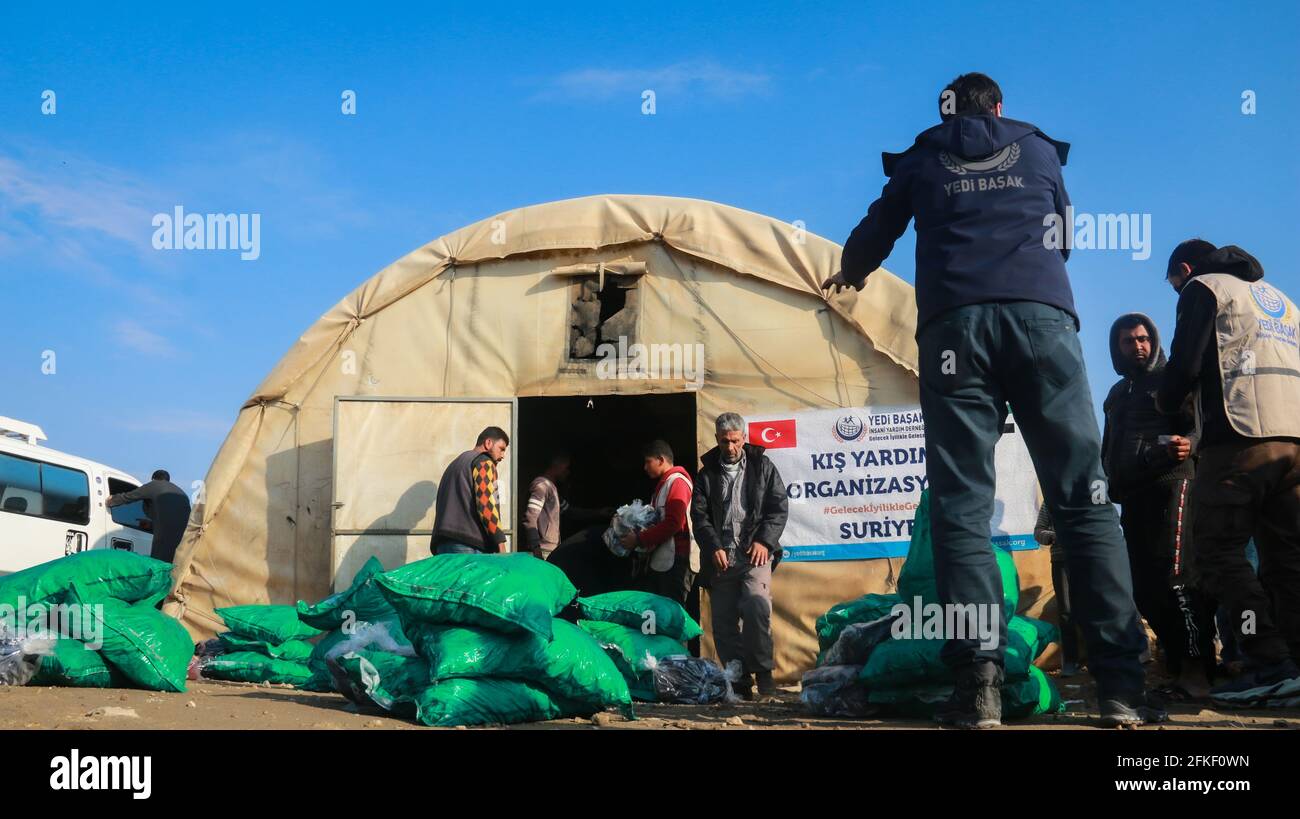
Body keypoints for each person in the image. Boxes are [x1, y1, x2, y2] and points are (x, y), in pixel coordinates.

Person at [822, 72, 1158, 728]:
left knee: (960, 510)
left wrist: (853, 270)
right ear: (1000, 107)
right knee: (1085, 502)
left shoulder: (924, 154)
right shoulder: (1035, 149)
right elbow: (1061, 232)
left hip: (955, 329)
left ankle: (978, 690)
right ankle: (1122, 688)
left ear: (949, 111)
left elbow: (879, 226)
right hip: (1043, 324)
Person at [1157, 239, 1300, 707]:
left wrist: (1166, 405)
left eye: (1173, 284)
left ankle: (1268, 661)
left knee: (1217, 553)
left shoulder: (1204, 288)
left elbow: (1184, 365)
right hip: (1294, 444)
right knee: (1286, 559)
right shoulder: (1280, 300)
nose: (1177, 290)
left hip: (1239, 438)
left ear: (1183, 270)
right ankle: (1294, 665)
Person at [1102, 312, 1217, 700]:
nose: (1137, 345)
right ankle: (1177, 663)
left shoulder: (1174, 381)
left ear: (1153, 341)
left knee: (1178, 580)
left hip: (1174, 484)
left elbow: (1201, 425)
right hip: (1133, 494)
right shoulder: (1116, 394)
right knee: (1143, 588)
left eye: (1142, 339)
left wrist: (1192, 445)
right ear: (1116, 348)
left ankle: (1197, 671)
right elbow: (1109, 447)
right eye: (1127, 341)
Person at [691, 412, 788, 700]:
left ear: (743, 438)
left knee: (757, 608)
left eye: (735, 441)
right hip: (722, 557)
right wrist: (713, 547)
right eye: (724, 441)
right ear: (717, 440)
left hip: (754, 555)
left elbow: (778, 507)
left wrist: (764, 541)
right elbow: (699, 516)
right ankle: (740, 681)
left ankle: (764, 675)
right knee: (722, 622)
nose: (730, 447)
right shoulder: (706, 474)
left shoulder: (762, 466)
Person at [619, 440, 698, 606]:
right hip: (664, 560)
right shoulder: (663, 486)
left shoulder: (677, 482)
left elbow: (674, 523)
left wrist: (639, 539)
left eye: (648, 462)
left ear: (661, 460)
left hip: (677, 560)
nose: (645, 467)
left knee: (672, 614)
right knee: (660, 613)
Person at [430, 427, 509, 555]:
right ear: (488, 443)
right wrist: (500, 544)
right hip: (469, 545)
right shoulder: (484, 462)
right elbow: (486, 504)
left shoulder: (454, 465)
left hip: (443, 545)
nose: (502, 456)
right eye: (501, 449)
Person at [1034, 503, 1080, 676]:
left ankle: (1101, 658)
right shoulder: (1049, 502)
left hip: (1089, 558)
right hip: (1061, 560)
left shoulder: (1087, 493)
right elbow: (1038, 531)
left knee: (1094, 608)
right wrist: (1056, 536)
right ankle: (1070, 661)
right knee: (1066, 611)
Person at [106, 469, 191, 563]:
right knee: (172, 566)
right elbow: (172, 515)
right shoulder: (182, 494)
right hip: (185, 538)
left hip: (164, 535)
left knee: (158, 564)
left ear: (153, 479)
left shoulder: (153, 485)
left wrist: (112, 500)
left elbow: (130, 496)